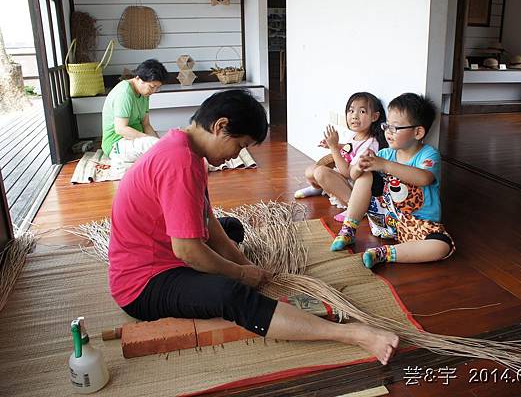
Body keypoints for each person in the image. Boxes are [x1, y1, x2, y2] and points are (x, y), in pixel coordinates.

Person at [108, 89, 400, 365]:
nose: (237, 155)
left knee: (231, 228)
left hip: (161, 248)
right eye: (240, 145)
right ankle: (354, 334)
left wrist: (246, 264)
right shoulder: (179, 161)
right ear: (221, 126)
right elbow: (187, 250)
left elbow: (207, 220)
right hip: (142, 284)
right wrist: (241, 274)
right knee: (229, 293)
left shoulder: (186, 149)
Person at [330, 93, 455, 268]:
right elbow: (352, 174)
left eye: (395, 127)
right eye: (386, 125)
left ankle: (384, 253)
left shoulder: (428, 154)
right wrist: (361, 166)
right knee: (366, 174)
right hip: (386, 219)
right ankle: (349, 229)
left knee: (442, 246)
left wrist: (385, 165)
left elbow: (424, 178)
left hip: (417, 224)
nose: (388, 132)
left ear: (418, 132)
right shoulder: (385, 154)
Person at [294, 92, 387, 222]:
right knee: (310, 170)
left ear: (375, 117)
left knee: (320, 172)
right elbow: (351, 148)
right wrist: (337, 145)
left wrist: (333, 148)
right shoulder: (357, 135)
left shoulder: (371, 145)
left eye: (362, 112)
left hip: (355, 188)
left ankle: (354, 206)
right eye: (351, 111)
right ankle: (319, 188)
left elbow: (348, 172)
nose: (354, 116)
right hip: (343, 178)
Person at [101, 59, 168, 172]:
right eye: (152, 87)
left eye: (157, 87)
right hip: (117, 144)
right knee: (158, 145)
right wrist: (151, 141)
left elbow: (146, 124)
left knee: (171, 137)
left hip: (137, 139)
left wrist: (156, 142)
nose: (154, 91)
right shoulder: (124, 94)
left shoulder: (144, 93)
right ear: (138, 78)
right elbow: (121, 129)